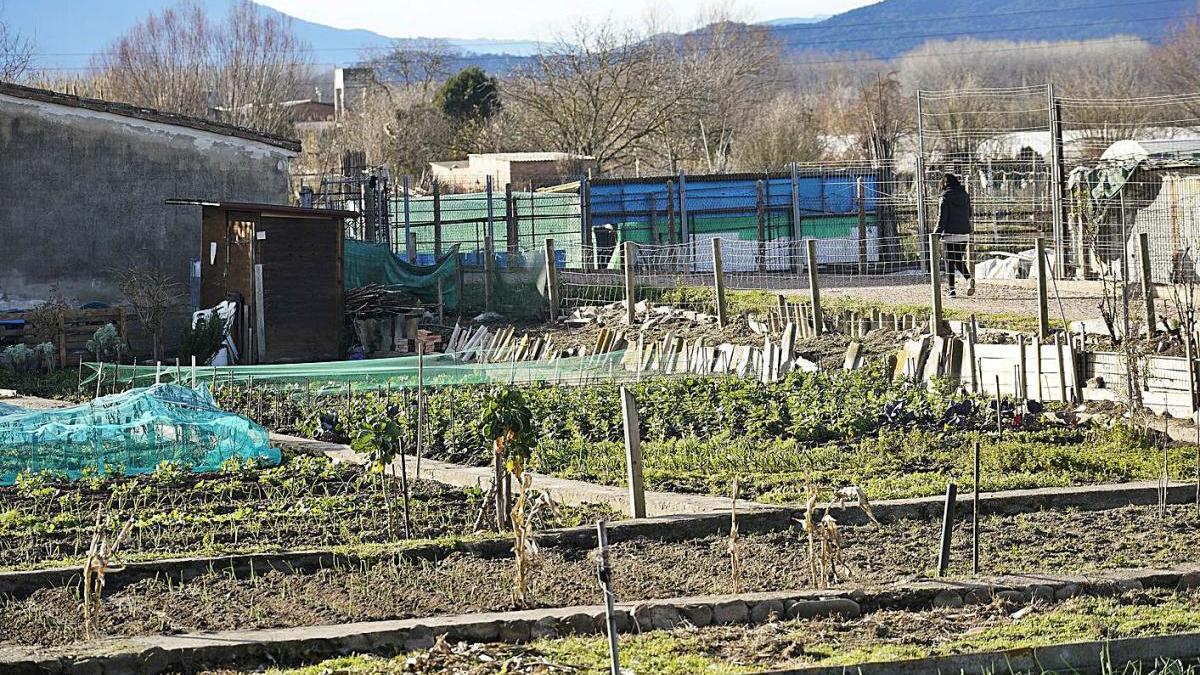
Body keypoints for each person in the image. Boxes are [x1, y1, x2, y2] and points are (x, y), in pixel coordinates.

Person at [935, 173, 974, 297]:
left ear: (944, 184)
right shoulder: (965, 195)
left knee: (949, 261)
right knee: (958, 259)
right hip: (964, 233)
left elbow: (942, 218)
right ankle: (968, 279)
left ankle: (951, 290)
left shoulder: (944, 197)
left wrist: (936, 234)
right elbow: (970, 213)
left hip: (949, 234)